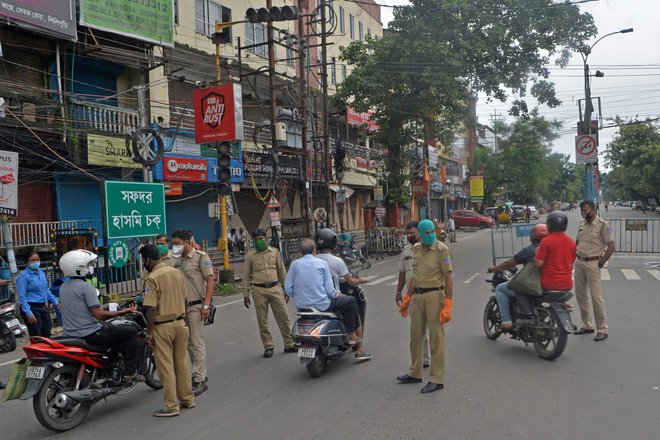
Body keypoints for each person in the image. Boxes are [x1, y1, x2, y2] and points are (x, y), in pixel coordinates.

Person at [285, 238, 372, 361]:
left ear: (301, 251)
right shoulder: (322, 264)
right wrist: (339, 295)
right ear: (314, 250)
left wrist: (301, 293)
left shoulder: (294, 264)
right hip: (323, 305)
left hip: (302, 306)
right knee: (351, 301)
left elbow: (288, 289)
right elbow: (330, 290)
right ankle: (353, 336)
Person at [58, 250, 139, 381]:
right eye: (89, 264)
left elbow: (85, 309)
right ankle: (129, 372)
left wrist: (106, 307)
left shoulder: (63, 287)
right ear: (79, 267)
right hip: (90, 333)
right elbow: (99, 315)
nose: (92, 267)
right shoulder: (86, 287)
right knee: (131, 331)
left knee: (114, 331)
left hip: (69, 333)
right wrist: (123, 312)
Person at [397, 219, 453, 394]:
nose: (429, 235)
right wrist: (407, 297)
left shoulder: (442, 249)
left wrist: (448, 304)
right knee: (416, 337)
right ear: (420, 234)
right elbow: (414, 276)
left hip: (435, 296)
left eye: (432, 232)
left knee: (436, 339)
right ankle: (416, 372)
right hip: (417, 296)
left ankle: (437, 379)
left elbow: (448, 277)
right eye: (426, 232)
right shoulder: (415, 250)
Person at [140, 245, 195, 417]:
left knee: (166, 368)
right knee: (182, 364)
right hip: (180, 324)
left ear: (148, 260)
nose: (144, 264)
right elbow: (185, 299)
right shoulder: (175, 272)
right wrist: (185, 320)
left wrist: (149, 333)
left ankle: (171, 406)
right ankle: (188, 399)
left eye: (143, 261)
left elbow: (150, 308)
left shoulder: (152, 278)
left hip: (162, 327)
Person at [171, 229, 214, 396]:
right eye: (173, 243)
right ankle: (200, 373)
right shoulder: (176, 261)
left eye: (177, 243)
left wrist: (206, 306)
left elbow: (210, 281)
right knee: (188, 344)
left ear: (188, 242)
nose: (174, 247)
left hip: (197, 306)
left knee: (197, 343)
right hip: (181, 308)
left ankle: (199, 380)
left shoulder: (201, 257)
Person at [242, 228, 296, 358]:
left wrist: (286, 289)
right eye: (256, 240)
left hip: (275, 288)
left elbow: (282, 271)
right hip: (259, 290)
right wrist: (245, 294)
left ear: (266, 238)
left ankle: (289, 344)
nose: (259, 242)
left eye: (261, 239)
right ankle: (268, 346)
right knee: (262, 320)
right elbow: (245, 275)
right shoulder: (250, 255)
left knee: (284, 317)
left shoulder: (275, 252)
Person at [487, 224, 549, 331]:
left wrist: (495, 268)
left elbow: (509, 263)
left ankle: (506, 321)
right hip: (548, 284)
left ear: (532, 236)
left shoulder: (529, 250)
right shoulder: (551, 249)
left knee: (500, 288)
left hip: (532, 285)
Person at [315, 228, 370, 338]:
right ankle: (356, 342)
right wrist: (361, 280)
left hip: (316, 296)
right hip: (331, 297)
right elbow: (350, 281)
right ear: (334, 243)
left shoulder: (312, 260)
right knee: (352, 302)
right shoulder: (337, 261)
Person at [574, 200, 615, 341]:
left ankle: (602, 329)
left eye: (586, 210)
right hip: (579, 262)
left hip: (593, 264)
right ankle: (587, 325)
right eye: (582, 210)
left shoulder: (603, 225)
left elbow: (611, 246)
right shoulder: (581, 224)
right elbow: (577, 242)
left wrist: (601, 262)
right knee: (580, 295)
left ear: (593, 209)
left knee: (596, 297)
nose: (583, 212)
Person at [395, 221, 430, 368]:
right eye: (407, 233)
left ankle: (425, 359)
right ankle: (419, 360)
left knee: (426, 328)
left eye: (412, 233)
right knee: (416, 329)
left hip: (429, 294)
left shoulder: (429, 249)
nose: (409, 236)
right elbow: (403, 273)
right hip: (412, 296)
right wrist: (398, 292)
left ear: (420, 233)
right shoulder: (406, 251)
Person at [533, 210, 576, 299]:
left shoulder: (546, 241)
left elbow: (538, 263)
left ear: (549, 224)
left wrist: (536, 254)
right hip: (567, 284)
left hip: (549, 284)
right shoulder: (571, 242)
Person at [17, 252, 60, 337]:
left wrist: (55, 301)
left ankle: (44, 350)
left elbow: (46, 289)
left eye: (37, 260)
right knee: (37, 334)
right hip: (31, 307)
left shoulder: (40, 272)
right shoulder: (23, 277)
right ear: (27, 262)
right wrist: (29, 313)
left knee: (47, 330)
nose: (36, 262)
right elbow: (22, 297)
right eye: (33, 260)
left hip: (42, 306)